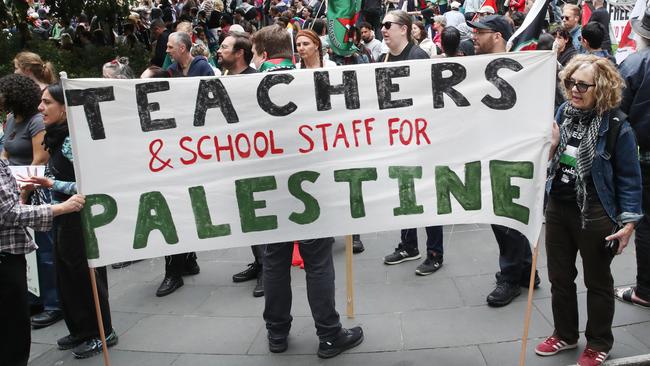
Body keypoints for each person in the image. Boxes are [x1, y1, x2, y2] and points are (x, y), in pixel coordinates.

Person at [251, 25, 363, 358]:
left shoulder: (250, 86)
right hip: (312, 185)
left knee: (274, 262)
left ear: (264, 54)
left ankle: (277, 333)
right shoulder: (311, 82)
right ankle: (329, 334)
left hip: (271, 186)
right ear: (288, 49)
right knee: (316, 262)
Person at [535, 54, 642, 366]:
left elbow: (629, 179)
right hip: (558, 206)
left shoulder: (617, 127)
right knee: (559, 277)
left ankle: (598, 342)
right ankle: (565, 334)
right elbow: (549, 161)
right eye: (570, 83)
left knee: (597, 281)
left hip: (595, 212)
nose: (575, 90)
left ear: (603, 88)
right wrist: (552, 145)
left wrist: (629, 223)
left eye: (583, 85)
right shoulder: (563, 113)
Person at [21, 83, 118, 359]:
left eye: (47, 102)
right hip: (62, 218)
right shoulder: (55, 136)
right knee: (66, 278)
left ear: (64, 108)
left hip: (81, 221)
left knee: (85, 278)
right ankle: (81, 330)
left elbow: (89, 185)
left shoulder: (72, 140)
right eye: (41, 102)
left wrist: (53, 183)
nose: (41, 108)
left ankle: (103, 332)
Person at [468, 14, 541, 306]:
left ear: (497, 36)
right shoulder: (474, 66)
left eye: (480, 33)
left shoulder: (520, 68)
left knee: (505, 216)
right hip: (489, 149)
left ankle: (510, 276)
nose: (473, 37)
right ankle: (526, 271)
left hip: (511, 153)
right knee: (504, 216)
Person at [377, 10, 446, 276]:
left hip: (420, 139)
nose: (383, 29)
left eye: (388, 25)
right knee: (405, 193)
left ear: (403, 29)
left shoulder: (417, 56)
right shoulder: (384, 57)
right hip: (398, 138)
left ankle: (435, 252)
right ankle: (409, 245)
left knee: (427, 194)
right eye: (382, 25)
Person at [0, 158, 86, 366]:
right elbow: (8, 213)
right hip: (5, 260)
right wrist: (61, 208)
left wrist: (22, 194)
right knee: (12, 334)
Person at [0, 74, 63, 330]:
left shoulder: (36, 122)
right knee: (26, 249)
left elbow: (39, 159)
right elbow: (5, 152)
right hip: (12, 187)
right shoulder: (10, 120)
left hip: (34, 188)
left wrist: (23, 190)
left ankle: (53, 303)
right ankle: (33, 297)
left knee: (44, 249)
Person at [217, 32, 265, 297]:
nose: (219, 51)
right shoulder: (225, 78)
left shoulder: (253, 80)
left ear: (239, 54)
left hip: (253, 162)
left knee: (258, 216)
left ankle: (268, 270)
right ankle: (259, 262)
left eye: (225, 47)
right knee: (247, 216)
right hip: (234, 160)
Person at [615, 8, 650, 309]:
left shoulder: (636, 63)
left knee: (646, 222)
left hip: (645, 155)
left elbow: (617, 109)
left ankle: (646, 290)